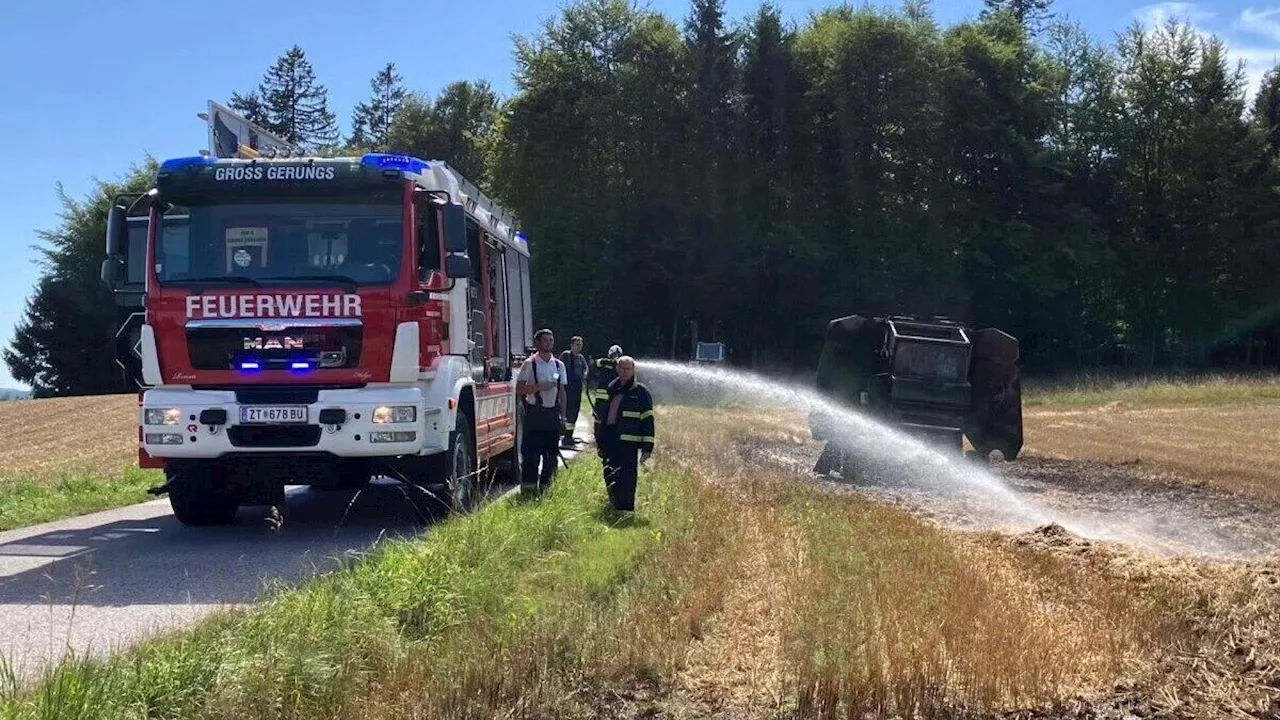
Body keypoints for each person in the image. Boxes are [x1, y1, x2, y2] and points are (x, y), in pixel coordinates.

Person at [595, 355, 655, 515]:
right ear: (617, 369)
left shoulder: (641, 393)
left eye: (629, 369)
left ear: (633, 370)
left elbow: (648, 421)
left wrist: (647, 448)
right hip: (610, 441)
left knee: (627, 479)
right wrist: (600, 442)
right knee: (609, 474)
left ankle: (626, 511)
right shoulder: (611, 389)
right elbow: (603, 419)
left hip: (629, 445)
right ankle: (615, 505)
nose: (625, 371)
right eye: (622, 368)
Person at [514, 329, 567, 494]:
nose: (549, 343)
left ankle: (546, 490)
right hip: (535, 414)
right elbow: (519, 389)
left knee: (551, 457)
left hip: (552, 415)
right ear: (538, 343)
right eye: (545, 340)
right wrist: (539, 387)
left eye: (551, 340)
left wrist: (563, 417)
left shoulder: (559, 365)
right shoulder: (530, 364)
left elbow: (563, 392)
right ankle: (529, 490)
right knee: (531, 456)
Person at [559, 336, 589, 447]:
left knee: (574, 412)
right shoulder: (565, 356)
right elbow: (559, 368)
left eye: (580, 344)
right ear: (571, 345)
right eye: (577, 344)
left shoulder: (581, 358)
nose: (579, 347)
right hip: (567, 388)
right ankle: (563, 435)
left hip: (577, 388)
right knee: (566, 411)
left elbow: (586, 370)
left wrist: (586, 375)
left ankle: (569, 436)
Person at [589, 344, 623, 425]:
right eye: (615, 355)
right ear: (610, 355)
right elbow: (596, 363)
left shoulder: (620, 367)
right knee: (599, 418)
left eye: (618, 355)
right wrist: (611, 362)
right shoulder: (604, 363)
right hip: (601, 398)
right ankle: (598, 435)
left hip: (614, 398)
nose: (616, 357)